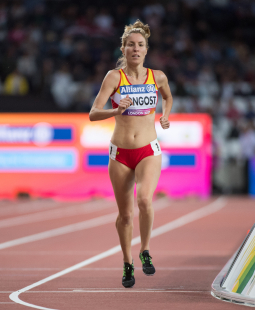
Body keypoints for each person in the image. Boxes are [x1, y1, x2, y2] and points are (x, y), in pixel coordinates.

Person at [89, 20, 172, 288]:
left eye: (140, 45)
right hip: (120, 153)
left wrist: (166, 115)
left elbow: (168, 97)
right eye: (130, 45)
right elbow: (93, 113)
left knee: (145, 201)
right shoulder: (114, 78)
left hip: (148, 149)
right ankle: (127, 262)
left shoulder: (157, 76)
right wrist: (115, 110)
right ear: (123, 49)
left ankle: (145, 250)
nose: (135, 49)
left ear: (147, 50)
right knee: (125, 216)